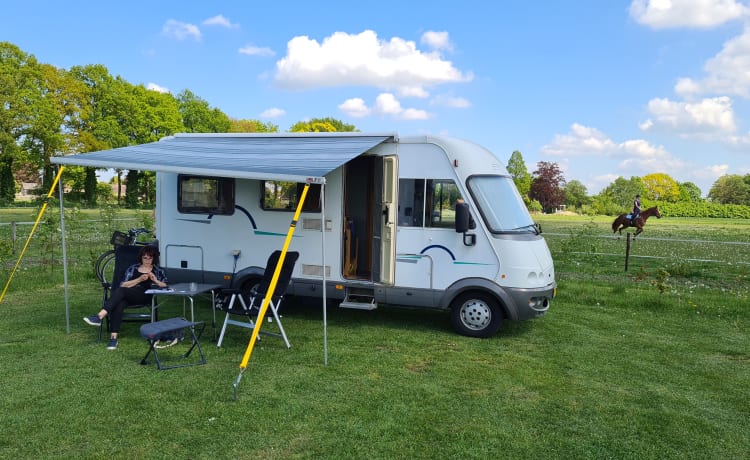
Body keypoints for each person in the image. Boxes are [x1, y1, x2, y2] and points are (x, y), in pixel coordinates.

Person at [84, 245, 167, 350]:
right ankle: (113, 338)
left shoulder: (158, 270)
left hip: (145, 296)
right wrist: (139, 279)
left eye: (149, 258)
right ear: (141, 257)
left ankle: (100, 316)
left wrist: (155, 280)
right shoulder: (133, 268)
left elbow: (165, 285)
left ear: (153, 258)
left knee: (121, 291)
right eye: (144, 257)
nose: (147, 260)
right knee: (119, 303)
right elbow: (123, 284)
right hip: (129, 295)